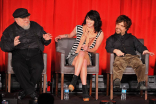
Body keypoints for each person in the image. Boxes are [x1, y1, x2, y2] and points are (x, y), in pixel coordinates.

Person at [0, 8, 52, 100]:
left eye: (27, 17)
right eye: (23, 18)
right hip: (19, 53)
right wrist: (13, 44)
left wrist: (46, 39)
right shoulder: (10, 30)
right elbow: (3, 46)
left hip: (35, 53)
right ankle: (31, 92)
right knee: (18, 65)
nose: (27, 20)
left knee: (38, 66)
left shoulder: (35, 26)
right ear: (16, 20)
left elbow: (45, 39)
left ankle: (26, 91)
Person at [55, 10, 104, 101]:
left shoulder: (99, 33)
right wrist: (60, 36)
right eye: (87, 18)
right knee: (83, 61)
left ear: (96, 21)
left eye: (91, 20)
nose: (88, 21)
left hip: (87, 55)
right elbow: (70, 35)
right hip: (74, 55)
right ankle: (85, 90)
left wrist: (87, 49)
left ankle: (74, 80)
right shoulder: (79, 28)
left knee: (83, 54)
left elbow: (95, 49)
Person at [105, 15, 154, 90]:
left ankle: (141, 83)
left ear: (126, 28)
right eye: (118, 24)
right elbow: (108, 47)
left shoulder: (132, 38)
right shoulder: (111, 38)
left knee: (140, 65)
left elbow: (139, 46)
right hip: (120, 57)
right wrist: (115, 50)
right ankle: (117, 81)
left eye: (121, 26)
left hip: (132, 57)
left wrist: (145, 50)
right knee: (118, 63)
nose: (118, 27)